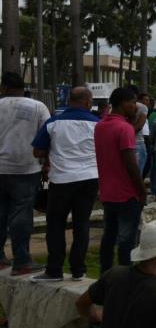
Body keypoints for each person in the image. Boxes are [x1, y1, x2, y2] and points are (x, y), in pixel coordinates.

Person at [30, 86, 100, 282]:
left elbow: (37, 151)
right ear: (88, 102)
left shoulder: (54, 122)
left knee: (56, 224)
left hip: (61, 179)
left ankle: (54, 270)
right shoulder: (98, 123)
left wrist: (53, 153)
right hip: (89, 178)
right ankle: (79, 270)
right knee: (82, 223)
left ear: (69, 100)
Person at [0, 72, 50, 275]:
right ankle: (21, 260)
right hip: (26, 168)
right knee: (21, 213)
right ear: (23, 87)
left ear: (4, 87)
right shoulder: (37, 107)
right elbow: (48, 136)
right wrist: (47, 165)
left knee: (1, 213)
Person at [95, 87, 146, 274]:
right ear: (124, 103)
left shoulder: (100, 126)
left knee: (109, 236)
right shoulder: (124, 128)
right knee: (126, 240)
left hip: (108, 192)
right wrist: (141, 190)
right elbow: (131, 164)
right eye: (133, 102)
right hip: (127, 193)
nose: (135, 107)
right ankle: (126, 277)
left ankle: (105, 274)